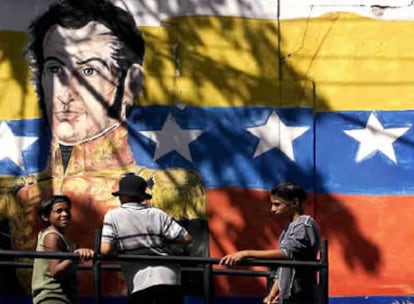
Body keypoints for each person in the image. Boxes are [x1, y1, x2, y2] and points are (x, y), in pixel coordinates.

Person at [0, 0, 207, 295]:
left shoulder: (174, 188)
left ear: (131, 84)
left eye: (88, 72)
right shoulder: (15, 196)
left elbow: (198, 280)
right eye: (55, 69)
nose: (65, 94)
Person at [220, 182, 321, 304]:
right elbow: (284, 268)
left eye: (277, 204)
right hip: (289, 295)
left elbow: (286, 253)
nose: (272, 209)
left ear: (294, 203)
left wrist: (246, 253)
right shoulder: (289, 228)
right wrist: (272, 295)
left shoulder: (304, 224)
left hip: (301, 295)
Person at [100, 173, 192, 304]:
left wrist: (123, 246)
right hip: (168, 278)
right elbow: (186, 238)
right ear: (141, 196)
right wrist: (161, 240)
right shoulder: (157, 214)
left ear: (123, 195)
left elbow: (105, 249)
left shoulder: (113, 216)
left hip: (139, 281)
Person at [32, 195, 94, 304]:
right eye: (59, 211)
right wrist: (75, 256)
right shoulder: (52, 236)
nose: (65, 214)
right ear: (46, 217)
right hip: (54, 298)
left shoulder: (53, 235)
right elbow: (56, 271)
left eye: (67, 210)